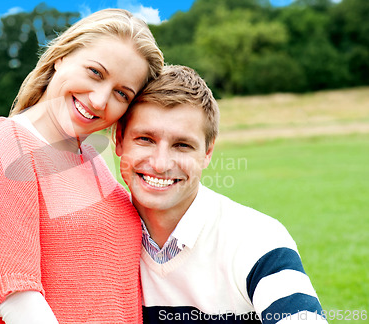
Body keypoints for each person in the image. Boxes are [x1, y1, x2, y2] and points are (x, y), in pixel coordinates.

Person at [0, 9, 163, 324]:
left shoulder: (93, 160)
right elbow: (14, 296)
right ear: (62, 57)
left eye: (122, 93)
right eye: (95, 72)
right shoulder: (5, 142)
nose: (99, 100)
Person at [115, 65, 328, 323]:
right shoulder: (99, 238)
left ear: (207, 153)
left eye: (182, 145)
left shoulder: (257, 239)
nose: (160, 164)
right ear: (119, 141)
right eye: (145, 139)